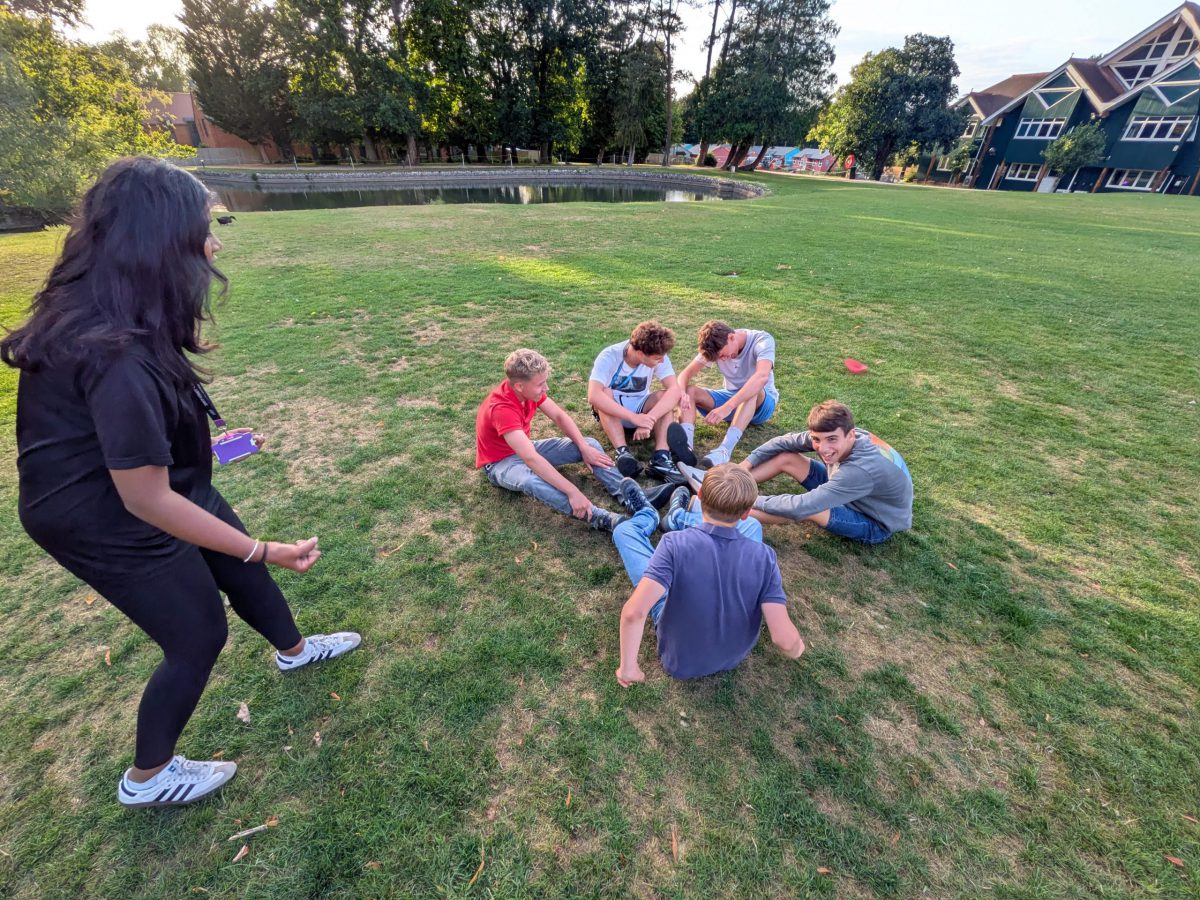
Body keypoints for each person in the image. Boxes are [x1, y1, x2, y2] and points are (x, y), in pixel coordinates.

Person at [2, 157, 361, 809]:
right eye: (203, 229)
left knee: (239, 568)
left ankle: (294, 649)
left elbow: (134, 441)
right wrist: (264, 548)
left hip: (154, 483)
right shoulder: (112, 353)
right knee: (198, 632)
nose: (214, 244)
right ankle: (149, 777)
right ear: (159, 243)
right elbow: (143, 495)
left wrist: (212, 449)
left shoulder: (121, 310)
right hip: (100, 516)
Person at [611, 466, 805, 686]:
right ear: (746, 511)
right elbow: (784, 639)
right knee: (752, 526)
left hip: (679, 662)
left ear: (700, 495)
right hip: (732, 658)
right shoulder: (765, 557)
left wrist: (628, 668)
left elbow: (634, 612)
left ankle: (649, 515)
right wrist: (798, 648)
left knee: (624, 532)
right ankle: (678, 516)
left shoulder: (673, 544)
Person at [477, 348, 639, 531]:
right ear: (520, 386)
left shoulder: (527, 391)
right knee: (530, 481)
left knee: (590, 444)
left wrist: (583, 448)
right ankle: (600, 518)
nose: (546, 388)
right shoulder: (501, 409)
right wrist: (572, 491)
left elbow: (559, 416)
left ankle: (628, 496)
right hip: (500, 463)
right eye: (540, 384)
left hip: (524, 448)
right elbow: (531, 459)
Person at [741, 400, 912, 544]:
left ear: (850, 435)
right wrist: (745, 465)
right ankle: (736, 482)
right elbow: (784, 442)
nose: (822, 448)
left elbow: (800, 507)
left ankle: (732, 512)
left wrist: (751, 500)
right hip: (853, 492)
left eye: (831, 439)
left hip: (874, 523)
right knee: (787, 457)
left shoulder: (859, 470)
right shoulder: (844, 432)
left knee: (812, 509)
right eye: (816, 439)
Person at [671, 320, 779, 469]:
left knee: (752, 389)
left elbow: (762, 377)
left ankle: (724, 451)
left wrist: (727, 407)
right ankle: (685, 446)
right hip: (731, 398)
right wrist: (682, 394)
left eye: (722, 355)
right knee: (690, 391)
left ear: (731, 337)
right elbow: (685, 374)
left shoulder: (762, 340)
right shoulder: (714, 345)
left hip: (762, 403)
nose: (722, 359)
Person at [587, 321, 682, 481]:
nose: (661, 361)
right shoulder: (609, 355)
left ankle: (661, 458)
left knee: (665, 397)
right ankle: (622, 452)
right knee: (604, 392)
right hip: (613, 409)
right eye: (657, 358)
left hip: (640, 405)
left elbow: (674, 390)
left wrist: (649, 419)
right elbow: (593, 395)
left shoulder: (660, 355)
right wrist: (634, 418)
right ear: (639, 353)